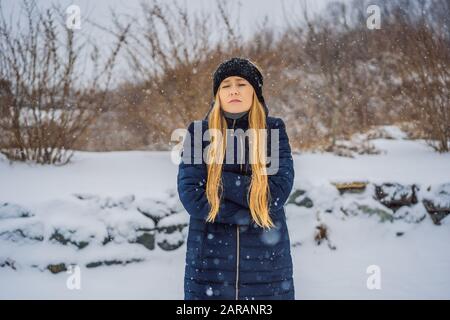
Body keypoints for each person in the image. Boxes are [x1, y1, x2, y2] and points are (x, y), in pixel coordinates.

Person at [177, 57, 295, 300]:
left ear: (255, 92)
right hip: (208, 265)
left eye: (241, 83)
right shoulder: (198, 133)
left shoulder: (273, 131)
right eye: (226, 85)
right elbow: (192, 196)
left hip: (267, 265)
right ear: (217, 94)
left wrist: (216, 182)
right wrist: (250, 204)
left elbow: (277, 192)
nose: (233, 90)